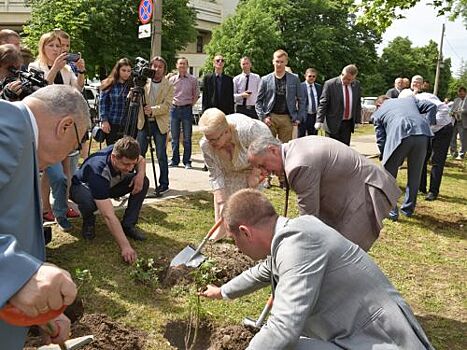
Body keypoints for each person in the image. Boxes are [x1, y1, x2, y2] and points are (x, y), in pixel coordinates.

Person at [200, 189, 434, 350]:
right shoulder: (294, 233)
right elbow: (264, 271)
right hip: (356, 334)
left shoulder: (297, 245)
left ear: (246, 232)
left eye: (235, 240)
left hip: (379, 339)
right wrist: (222, 291)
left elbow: (283, 329)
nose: (237, 249)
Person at [0, 84, 89, 349]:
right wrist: (14, 274)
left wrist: (40, 308)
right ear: (65, 126)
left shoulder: (21, 140)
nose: (64, 158)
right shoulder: (8, 129)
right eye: (72, 146)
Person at [247, 136, 400, 251]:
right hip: (354, 190)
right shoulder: (293, 148)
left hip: (366, 192)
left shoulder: (297, 164)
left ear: (272, 150)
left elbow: (309, 219)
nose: (264, 172)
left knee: (343, 256)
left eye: (262, 165)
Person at [29, 31, 83, 232]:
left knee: (66, 173)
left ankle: (57, 209)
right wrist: (54, 70)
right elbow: (38, 92)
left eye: (59, 46)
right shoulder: (35, 67)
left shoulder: (67, 70)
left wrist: (81, 72)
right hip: (46, 129)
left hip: (65, 126)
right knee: (55, 175)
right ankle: (53, 211)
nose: (56, 50)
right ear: (42, 48)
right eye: (51, 46)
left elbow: (75, 93)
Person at [70, 137, 149, 264]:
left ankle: (128, 225)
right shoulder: (98, 171)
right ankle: (89, 221)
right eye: (126, 164)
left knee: (143, 182)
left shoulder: (122, 150)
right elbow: (108, 215)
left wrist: (140, 174)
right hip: (82, 188)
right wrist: (125, 247)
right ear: (113, 157)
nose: (130, 168)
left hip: (109, 185)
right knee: (89, 201)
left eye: (132, 164)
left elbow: (140, 160)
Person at [198, 108, 272, 240]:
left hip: (252, 165)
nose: (211, 143)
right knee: (225, 204)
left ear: (226, 131)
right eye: (208, 139)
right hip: (228, 171)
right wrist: (221, 203)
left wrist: (256, 173)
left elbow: (265, 145)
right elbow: (216, 175)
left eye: (214, 139)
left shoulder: (248, 130)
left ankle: (249, 237)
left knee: (248, 205)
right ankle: (222, 231)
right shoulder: (206, 145)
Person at [372, 95, 436, 221]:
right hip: (422, 133)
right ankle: (408, 209)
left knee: (388, 175)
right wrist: (427, 123)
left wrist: (386, 156)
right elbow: (432, 106)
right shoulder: (409, 99)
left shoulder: (378, 112)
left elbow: (381, 139)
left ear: (378, 105)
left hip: (400, 133)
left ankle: (391, 211)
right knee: (415, 175)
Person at [136, 56, 174, 195]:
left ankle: (164, 183)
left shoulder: (169, 85)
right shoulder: (143, 82)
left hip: (159, 124)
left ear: (164, 69)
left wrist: (153, 110)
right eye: (154, 66)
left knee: (161, 155)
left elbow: (167, 106)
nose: (156, 69)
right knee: (139, 154)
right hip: (143, 123)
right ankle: (139, 181)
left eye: (160, 67)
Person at [255, 49, 303, 144]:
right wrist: (263, 117)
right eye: (277, 61)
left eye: (282, 62)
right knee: (268, 147)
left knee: (285, 148)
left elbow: (301, 99)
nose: (279, 64)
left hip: (287, 118)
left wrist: (298, 117)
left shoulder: (294, 79)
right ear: (273, 61)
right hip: (270, 117)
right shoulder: (265, 79)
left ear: (286, 62)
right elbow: (258, 101)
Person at [416, 93, 454, 201]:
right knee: (421, 157)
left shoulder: (423, 100)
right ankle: (421, 187)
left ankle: (433, 191)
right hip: (428, 131)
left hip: (443, 130)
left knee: (437, 160)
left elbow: (444, 108)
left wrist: (430, 123)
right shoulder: (409, 104)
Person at [315, 64, 362, 146]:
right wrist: (319, 120)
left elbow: (357, 103)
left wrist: (357, 120)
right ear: (342, 74)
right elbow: (323, 103)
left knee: (345, 149)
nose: (347, 81)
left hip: (347, 124)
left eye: (350, 80)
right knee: (332, 149)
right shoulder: (330, 84)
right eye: (346, 78)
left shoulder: (356, 85)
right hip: (332, 123)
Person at [168, 57, 199, 169]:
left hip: (187, 109)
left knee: (187, 137)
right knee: (174, 137)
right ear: (177, 65)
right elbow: (168, 94)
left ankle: (187, 161)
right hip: (174, 109)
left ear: (187, 66)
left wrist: (190, 104)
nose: (182, 66)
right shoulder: (172, 80)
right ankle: (175, 160)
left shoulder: (193, 79)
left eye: (184, 64)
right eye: (180, 64)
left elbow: (196, 95)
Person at [99, 58, 132, 145]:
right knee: (112, 150)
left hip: (128, 124)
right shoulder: (109, 83)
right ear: (118, 70)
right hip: (112, 123)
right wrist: (104, 121)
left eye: (129, 71)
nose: (126, 73)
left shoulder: (132, 85)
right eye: (123, 70)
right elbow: (102, 103)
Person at [298, 68, 322, 137]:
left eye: (314, 76)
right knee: (301, 137)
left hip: (314, 116)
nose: (312, 78)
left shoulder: (319, 87)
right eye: (310, 76)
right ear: (305, 76)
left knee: (313, 137)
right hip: (303, 117)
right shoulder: (300, 87)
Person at [450, 86, 467, 160]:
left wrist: (461, 111)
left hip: (463, 122)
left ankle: (462, 154)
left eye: (462, 94)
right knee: (452, 138)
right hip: (455, 121)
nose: (461, 95)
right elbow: (451, 110)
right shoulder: (456, 100)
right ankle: (453, 153)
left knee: (463, 139)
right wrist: (453, 113)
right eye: (459, 94)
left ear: (465, 93)